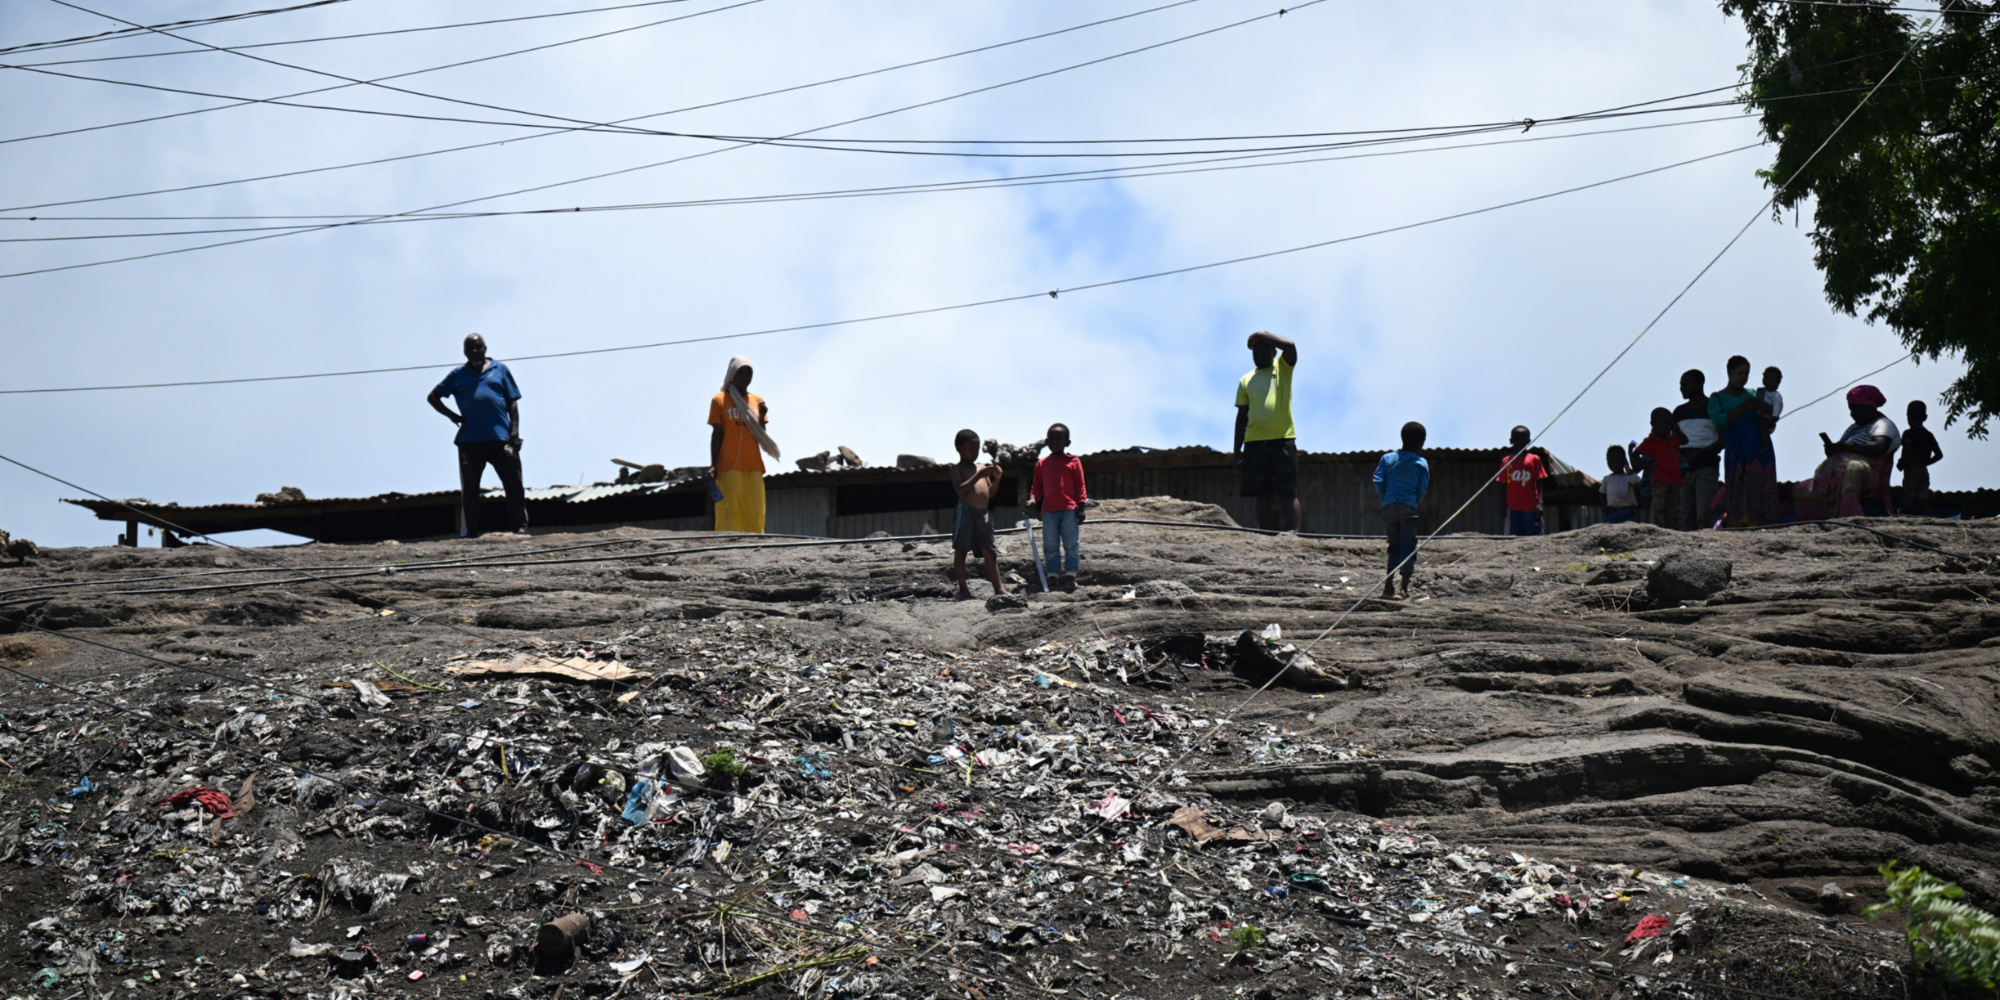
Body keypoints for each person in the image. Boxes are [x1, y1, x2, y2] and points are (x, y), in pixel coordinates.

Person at [427, 333, 528, 537]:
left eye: (478, 347)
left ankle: (520, 527)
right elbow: (433, 397)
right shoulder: (458, 374)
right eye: (470, 348)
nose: (475, 351)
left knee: (514, 483)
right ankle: (471, 533)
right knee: (470, 489)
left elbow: (512, 402)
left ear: (485, 348)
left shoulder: (500, 370)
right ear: (464, 352)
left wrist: (514, 433)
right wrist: (453, 416)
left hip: (502, 438)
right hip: (470, 441)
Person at [1794, 385, 1901, 520]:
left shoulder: (1883, 424)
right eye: (1851, 409)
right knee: (1802, 488)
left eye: (1855, 408)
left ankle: (1850, 518)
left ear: (1869, 406)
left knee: (1850, 469)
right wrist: (1833, 450)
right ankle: (1816, 523)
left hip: (1870, 475)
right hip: (1841, 470)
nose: (1852, 413)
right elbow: (1843, 450)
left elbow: (1880, 447)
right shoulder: (1853, 428)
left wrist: (1845, 448)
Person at [1233, 331, 1301, 532]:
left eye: (1264, 349)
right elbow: (1241, 417)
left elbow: (1290, 346)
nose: (1259, 353)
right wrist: (1237, 451)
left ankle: (1295, 537)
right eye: (1255, 350)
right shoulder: (1245, 380)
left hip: (1283, 440)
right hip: (1254, 443)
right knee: (1261, 494)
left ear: (1273, 352)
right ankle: (1265, 537)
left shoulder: (1282, 368)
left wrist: (1261, 334)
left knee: (1288, 493)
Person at [708, 356, 780, 533]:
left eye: (749, 373)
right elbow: (716, 434)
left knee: (755, 509)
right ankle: (728, 544)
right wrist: (713, 465)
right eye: (741, 373)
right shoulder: (719, 400)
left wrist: (762, 415)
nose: (745, 377)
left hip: (753, 464)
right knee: (731, 509)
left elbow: (761, 434)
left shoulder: (757, 400)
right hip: (728, 465)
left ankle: (756, 543)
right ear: (732, 374)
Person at [1709, 355, 1780, 526]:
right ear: (1729, 372)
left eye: (1747, 374)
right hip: (1736, 448)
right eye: (1740, 373)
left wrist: (1769, 413)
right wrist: (1744, 409)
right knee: (1739, 485)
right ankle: (1740, 523)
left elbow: (1769, 418)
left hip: (1759, 448)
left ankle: (1764, 523)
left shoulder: (1755, 394)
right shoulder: (1717, 397)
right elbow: (1718, 421)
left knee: (1762, 484)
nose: (1744, 378)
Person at [1027, 423, 1087, 593]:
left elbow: (1080, 485)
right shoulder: (1042, 463)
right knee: (1050, 545)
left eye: (1058, 439)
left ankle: (1070, 575)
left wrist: (1081, 507)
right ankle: (1052, 574)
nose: (1054, 441)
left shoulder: (1073, 461)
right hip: (1048, 511)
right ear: (1046, 441)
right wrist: (1033, 499)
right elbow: (1036, 486)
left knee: (1071, 544)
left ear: (1067, 442)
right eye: (1051, 438)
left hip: (1069, 509)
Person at [1372, 422, 1429, 599]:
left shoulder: (1387, 458)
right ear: (1421, 442)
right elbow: (1422, 489)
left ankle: (1388, 588)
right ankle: (1404, 588)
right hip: (1408, 507)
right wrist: (1412, 502)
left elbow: (1378, 481)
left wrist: (1387, 500)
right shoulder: (1420, 462)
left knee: (1394, 546)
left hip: (1389, 507)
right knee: (1408, 546)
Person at [950, 428, 1007, 600]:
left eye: (977, 449)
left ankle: (999, 589)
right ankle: (963, 590)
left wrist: (997, 478)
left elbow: (990, 493)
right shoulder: (956, 468)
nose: (974, 453)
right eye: (971, 449)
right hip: (965, 511)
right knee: (961, 550)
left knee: (990, 550)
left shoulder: (982, 467)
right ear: (958, 448)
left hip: (984, 514)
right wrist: (977, 476)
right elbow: (960, 490)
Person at [1673, 369, 1723, 530]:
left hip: (1706, 467)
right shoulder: (1679, 412)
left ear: (1700, 384)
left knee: (1705, 513)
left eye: (1686, 384)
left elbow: (1722, 441)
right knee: (1687, 514)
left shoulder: (1713, 408)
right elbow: (1673, 442)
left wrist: (1700, 453)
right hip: (1684, 469)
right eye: (1681, 384)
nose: (1682, 388)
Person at [1631, 408, 1686, 528]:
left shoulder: (1671, 440)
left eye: (1668, 423)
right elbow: (1635, 456)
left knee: (1670, 508)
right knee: (1659, 507)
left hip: (1674, 480)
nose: (1666, 427)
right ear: (1653, 424)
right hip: (1660, 480)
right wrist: (1647, 466)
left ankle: (1668, 529)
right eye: (1663, 423)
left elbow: (1685, 441)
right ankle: (1658, 529)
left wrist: (1676, 429)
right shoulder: (1650, 441)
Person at [1496, 425, 1547, 536]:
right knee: (1512, 537)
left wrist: (1540, 503)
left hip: (1531, 506)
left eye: (1523, 441)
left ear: (1528, 441)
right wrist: (1502, 505)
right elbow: (1503, 485)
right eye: (1517, 440)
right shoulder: (1506, 461)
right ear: (1511, 441)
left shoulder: (1534, 459)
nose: (1520, 443)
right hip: (1512, 507)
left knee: (1535, 535)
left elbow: (1540, 481)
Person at [1899, 400, 1943, 515]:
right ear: (1925, 417)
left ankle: (1906, 518)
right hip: (1923, 470)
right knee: (1923, 497)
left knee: (1908, 497)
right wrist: (1924, 463)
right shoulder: (1929, 435)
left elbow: (1907, 451)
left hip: (1912, 470)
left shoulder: (1908, 433)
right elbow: (1939, 455)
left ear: (1908, 416)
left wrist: (1903, 462)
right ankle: (1931, 517)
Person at [1600, 446, 1642, 524]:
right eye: (1610, 462)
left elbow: (1636, 482)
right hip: (1611, 512)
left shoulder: (1628, 477)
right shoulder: (1607, 479)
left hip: (1627, 511)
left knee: (1628, 530)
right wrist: (1604, 506)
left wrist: (1628, 469)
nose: (1614, 465)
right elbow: (1602, 493)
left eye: (1617, 461)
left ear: (1624, 461)